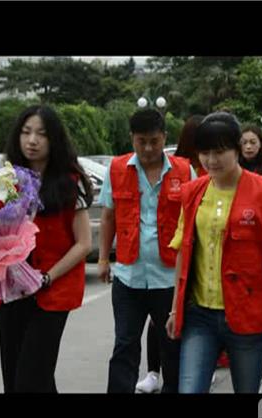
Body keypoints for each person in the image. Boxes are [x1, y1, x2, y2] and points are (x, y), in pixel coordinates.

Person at [165, 112, 262, 393]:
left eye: (219, 152)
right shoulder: (192, 192)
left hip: (248, 315)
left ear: (237, 149)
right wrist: (175, 308)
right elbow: (183, 252)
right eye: (204, 153)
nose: (211, 160)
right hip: (199, 315)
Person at [0, 105, 93, 393]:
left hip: (52, 291)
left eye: (41, 134)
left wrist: (47, 277)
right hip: (13, 291)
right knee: (15, 379)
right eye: (26, 132)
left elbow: (84, 243)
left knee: (31, 379)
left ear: (54, 139)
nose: (32, 140)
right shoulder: (5, 180)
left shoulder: (70, 182)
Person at [98, 108, 195, 393]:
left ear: (164, 137)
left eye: (154, 141)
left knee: (172, 346)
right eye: (142, 141)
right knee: (125, 345)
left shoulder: (184, 171)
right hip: (129, 277)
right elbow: (108, 217)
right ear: (132, 138)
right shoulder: (117, 169)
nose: (149, 148)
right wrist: (103, 258)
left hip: (168, 279)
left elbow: (193, 224)